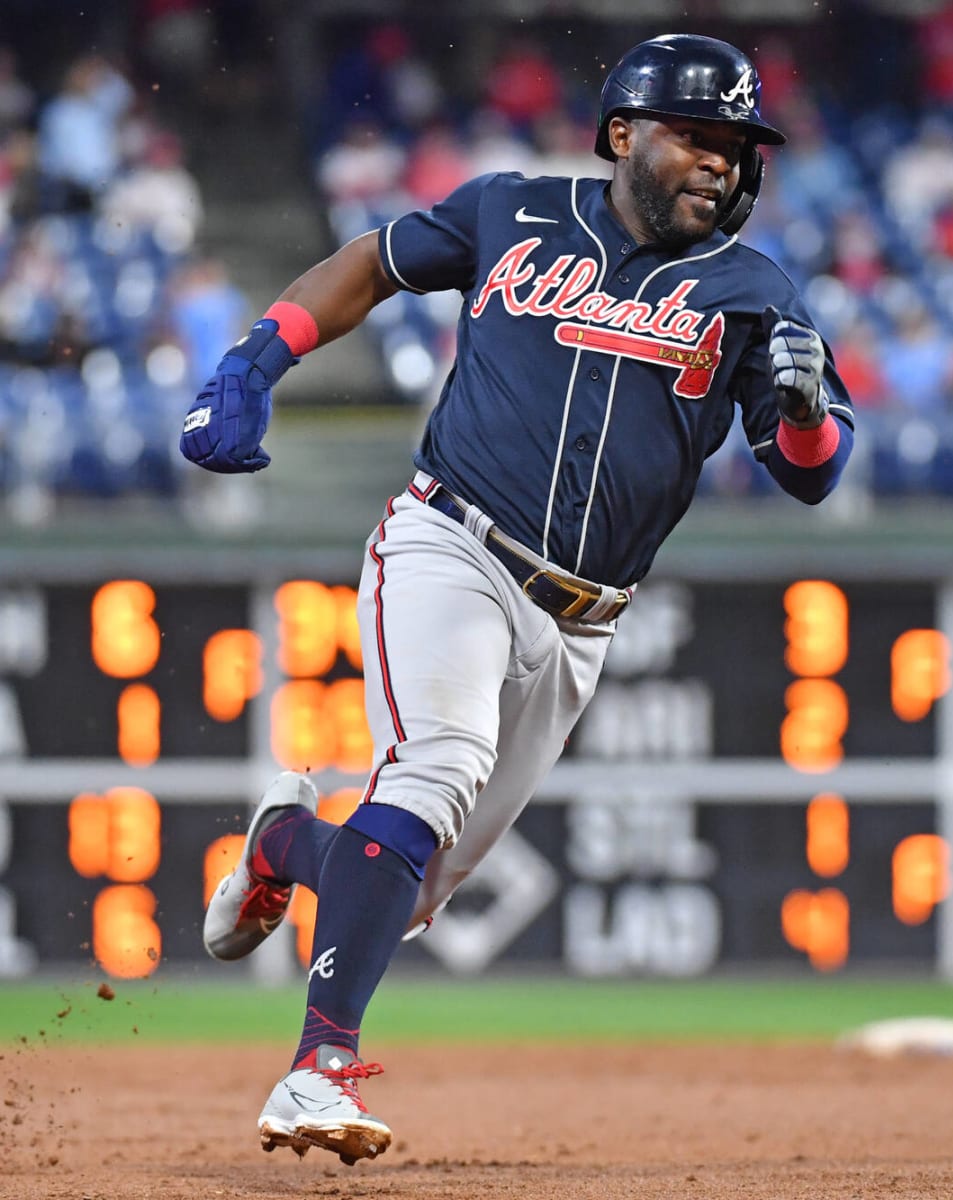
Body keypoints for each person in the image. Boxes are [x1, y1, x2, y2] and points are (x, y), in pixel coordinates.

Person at [180, 32, 855, 1167]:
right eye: (697, 136)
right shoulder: (516, 213)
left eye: (737, 148)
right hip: (453, 543)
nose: (721, 164)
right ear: (625, 133)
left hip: (586, 619)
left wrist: (799, 412)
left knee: (412, 885)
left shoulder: (755, 292)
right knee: (432, 775)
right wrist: (256, 360)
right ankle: (317, 1067)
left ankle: (285, 842)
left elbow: (812, 470)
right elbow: (370, 265)